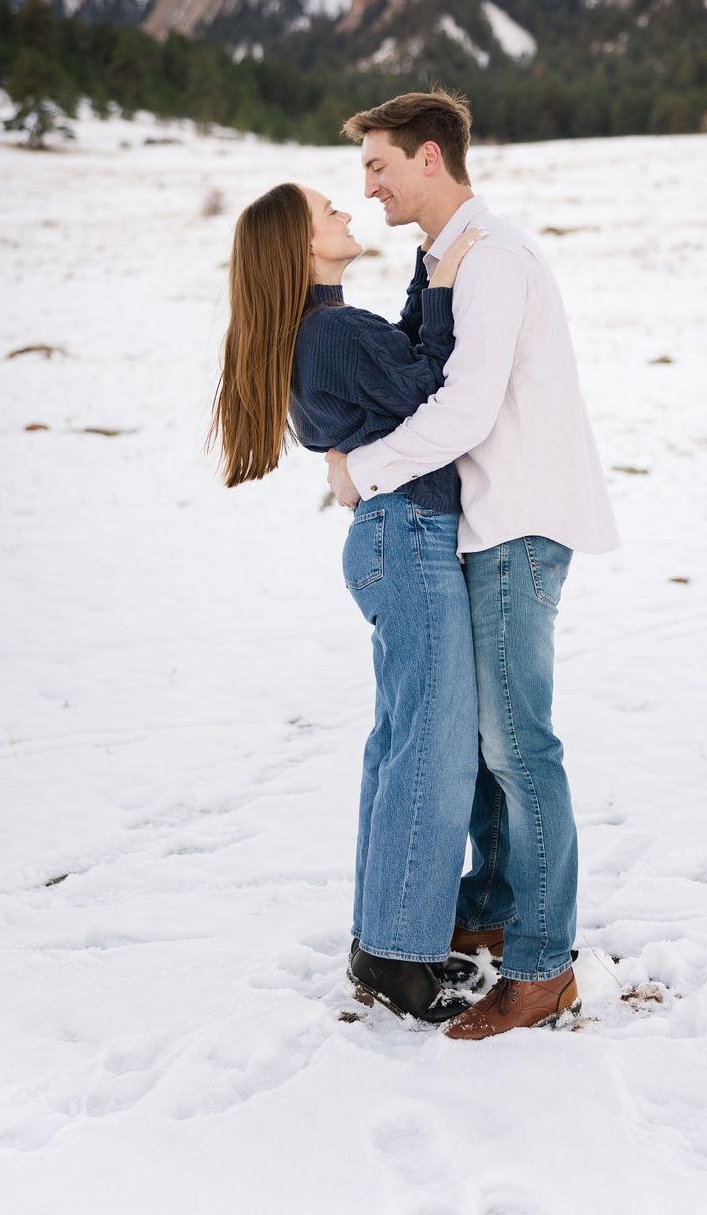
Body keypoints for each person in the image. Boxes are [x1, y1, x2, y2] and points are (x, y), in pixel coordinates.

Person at [325, 88, 621, 1040]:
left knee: (519, 748)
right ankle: (493, 904)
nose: (366, 185)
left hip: (519, 523)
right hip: (490, 522)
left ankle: (542, 968)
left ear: (429, 159)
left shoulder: (491, 261)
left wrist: (363, 472)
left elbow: (467, 411)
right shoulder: (446, 258)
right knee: (497, 751)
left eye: (378, 165)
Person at [206, 180, 488, 1023]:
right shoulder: (330, 332)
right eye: (327, 212)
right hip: (408, 540)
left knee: (405, 739)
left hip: (393, 540)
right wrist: (440, 290)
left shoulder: (330, 329)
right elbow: (434, 385)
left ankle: (384, 940)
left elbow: (397, 359)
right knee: (429, 748)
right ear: (299, 247)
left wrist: (424, 281)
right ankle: (399, 956)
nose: (345, 214)